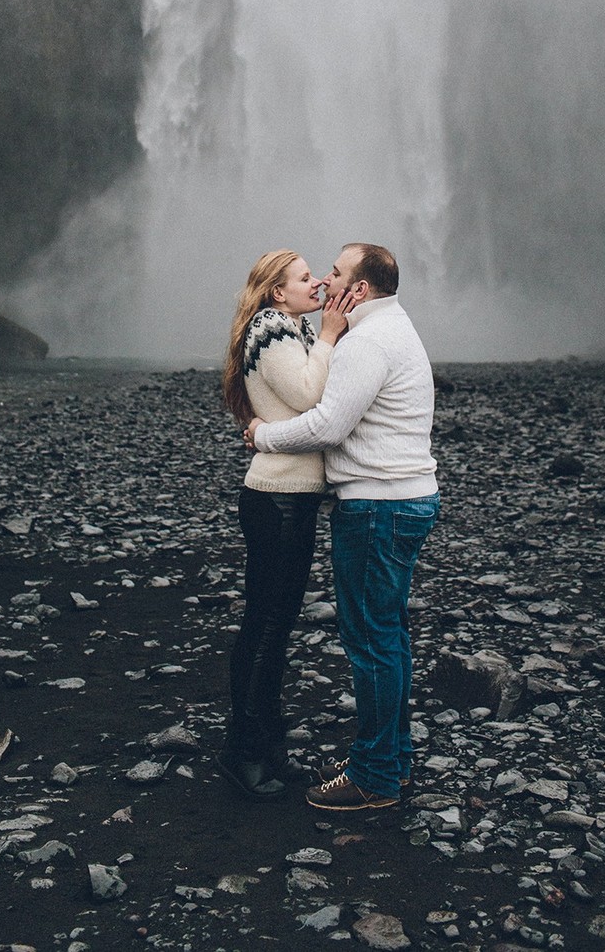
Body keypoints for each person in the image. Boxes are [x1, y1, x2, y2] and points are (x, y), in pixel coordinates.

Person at [246, 242, 438, 812]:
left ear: (361, 289)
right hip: (403, 502)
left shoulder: (368, 341)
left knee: (371, 642)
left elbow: (327, 425)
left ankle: (375, 776)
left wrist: (262, 437)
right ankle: (393, 760)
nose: (327, 283)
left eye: (335, 273)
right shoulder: (395, 329)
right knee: (390, 636)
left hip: (377, 508)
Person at [218, 249, 352, 799]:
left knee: (274, 626)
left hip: (288, 498)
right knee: (267, 627)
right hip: (276, 499)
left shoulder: (284, 326)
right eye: (304, 277)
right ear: (277, 292)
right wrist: (330, 334)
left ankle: (268, 748)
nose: (318, 281)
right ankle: (243, 754)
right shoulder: (272, 329)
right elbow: (307, 395)